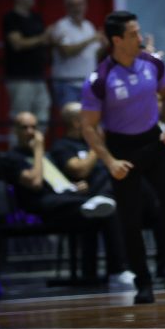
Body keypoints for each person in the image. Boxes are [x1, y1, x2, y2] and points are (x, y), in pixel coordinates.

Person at [80, 10, 165, 305]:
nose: (140, 37)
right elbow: (88, 127)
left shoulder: (153, 64)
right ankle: (143, 282)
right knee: (130, 218)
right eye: (133, 33)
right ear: (117, 40)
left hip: (154, 143)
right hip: (122, 150)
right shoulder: (100, 78)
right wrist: (110, 161)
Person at [2, 111, 124, 283]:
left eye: (34, 127)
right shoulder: (13, 157)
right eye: (24, 127)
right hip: (40, 206)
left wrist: (74, 186)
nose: (30, 132)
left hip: (64, 199)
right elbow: (35, 182)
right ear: (15, 130)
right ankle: (109, 271)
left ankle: (109, 273)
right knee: (96, 207)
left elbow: (57, 182)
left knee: (105, 211)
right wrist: (38, 150)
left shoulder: (45, 156)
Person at [48, 103, 135, 289]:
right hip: (78, 202)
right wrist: (97, 145)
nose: (95, 120)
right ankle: (118, 271)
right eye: (88, 116)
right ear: (76, 122)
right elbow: (79, 170)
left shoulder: (92, 144)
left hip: (105, 196)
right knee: (110, 209)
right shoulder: (62, 146)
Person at [3, 0, 51, 131]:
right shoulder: (11, 18)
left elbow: (44, 41)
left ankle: (37, 144)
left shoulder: (36, 17)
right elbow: (17, 43)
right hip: (20, 77)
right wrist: (41, 38)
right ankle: (18, 146)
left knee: (42, 115)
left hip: (38, 75)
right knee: (22, 117)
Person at [50, 0, 106, 107]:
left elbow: (94, 56)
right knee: (70, 117)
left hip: (87, 83)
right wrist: (90, 40)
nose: (78, 8)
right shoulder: (61, 26)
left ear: (86, 6)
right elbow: (66, 51)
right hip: (68, 84)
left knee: (89, 117)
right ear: (67, 7)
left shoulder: (88, 26)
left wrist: (105, 45)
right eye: (73, 5)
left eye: (80, 4)